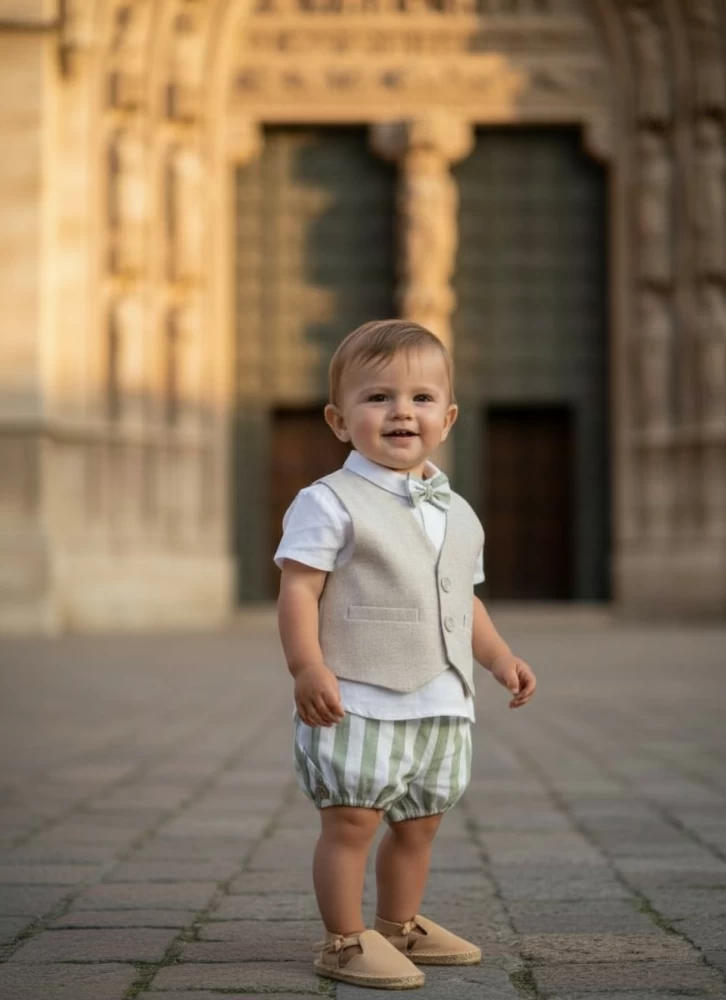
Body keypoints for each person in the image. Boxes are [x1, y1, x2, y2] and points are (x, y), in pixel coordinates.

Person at [274, 319, 537, 990]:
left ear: (447, 418)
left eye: (421, 398)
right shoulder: (327, 501)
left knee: (419, 823)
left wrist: (499, 658)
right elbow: (299, 592)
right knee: (354, 820)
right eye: (378, 397)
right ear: (338, 419)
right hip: (359, 692)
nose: (401, 412)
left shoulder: (459, 510)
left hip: (443, 699)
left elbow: (463, 600)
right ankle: (342, 938)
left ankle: (398, 923)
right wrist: (308, 667)